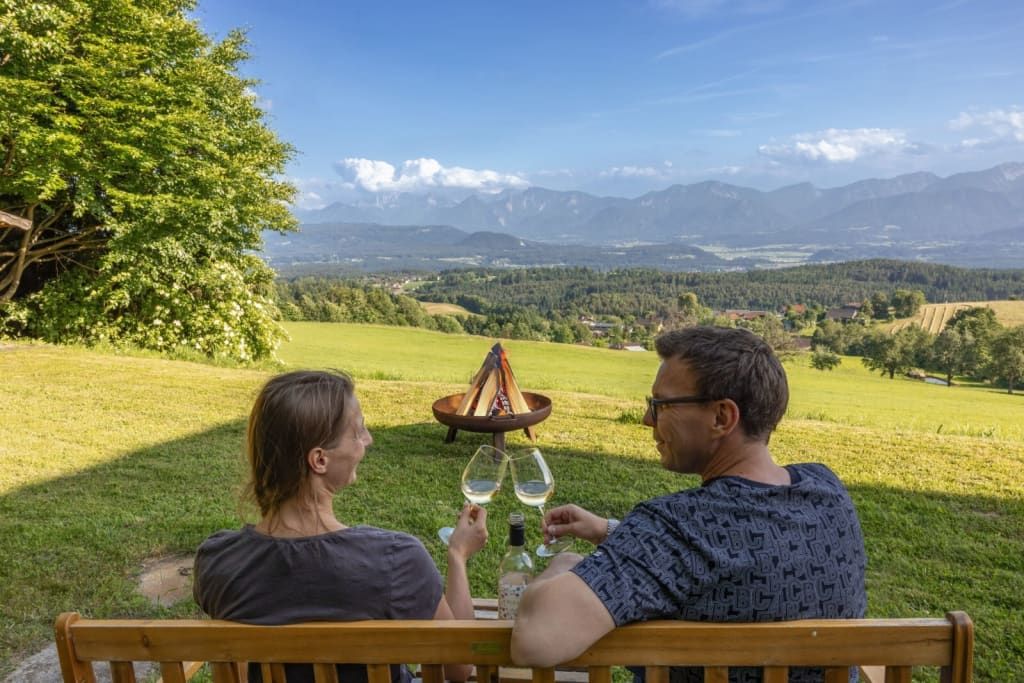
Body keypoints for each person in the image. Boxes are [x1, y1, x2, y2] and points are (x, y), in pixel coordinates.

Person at [510, 326, 866, 683]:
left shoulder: (676, 526)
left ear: (721, 417)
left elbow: (536, 640)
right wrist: (612, 532)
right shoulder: (827, 490)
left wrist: (566, 564)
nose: (647, 419)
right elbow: (741, 556)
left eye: (661, 405)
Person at [193, 370, 487, 683]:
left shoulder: (217, 561)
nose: (369, 439)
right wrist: (458, 555)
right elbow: (459, 667)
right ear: (319, 460)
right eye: (358, 432)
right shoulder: (396, 559)